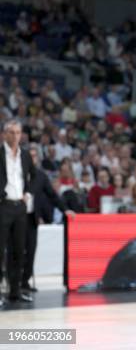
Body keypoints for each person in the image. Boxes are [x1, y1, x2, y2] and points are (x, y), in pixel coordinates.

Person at [22, 146, 75, 292]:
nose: (32, 159)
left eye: (34, 156)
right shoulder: (16, 174)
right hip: (15, 217)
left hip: (32, 218)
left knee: (31, 251)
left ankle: (24, 282)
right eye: (29, 156)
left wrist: (65, 210)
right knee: (17, 251)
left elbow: (52, 195)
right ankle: (14, 283)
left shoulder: (41, 176)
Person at [0, 120, 36, 304]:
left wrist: (28, 192)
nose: (15, 136)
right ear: (4, 134)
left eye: (17, 132)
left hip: (20, 208)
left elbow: (35, 176)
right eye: (11, 132)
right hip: (3, 206)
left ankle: (15, 291)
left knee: (18, 251)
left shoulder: (25, 155)